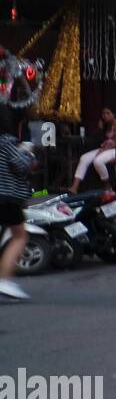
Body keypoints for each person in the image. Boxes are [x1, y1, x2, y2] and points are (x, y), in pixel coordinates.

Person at [0, 106, 35, 300]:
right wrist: (29, 154)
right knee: (19, 235)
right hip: (7, 196)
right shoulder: (6, 142)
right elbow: (22, 165)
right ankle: (4, 280)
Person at [70, 108, 116, 194]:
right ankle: (74, 187)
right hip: (108, 148)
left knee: (98, 161)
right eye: (103, 114)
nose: (105, 115)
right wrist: (100, 128)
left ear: (113, 114)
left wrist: (103, 150)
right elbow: (99, 139)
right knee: (84, 158)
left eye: (108, 113)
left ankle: (108, 186)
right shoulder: (106, 125)